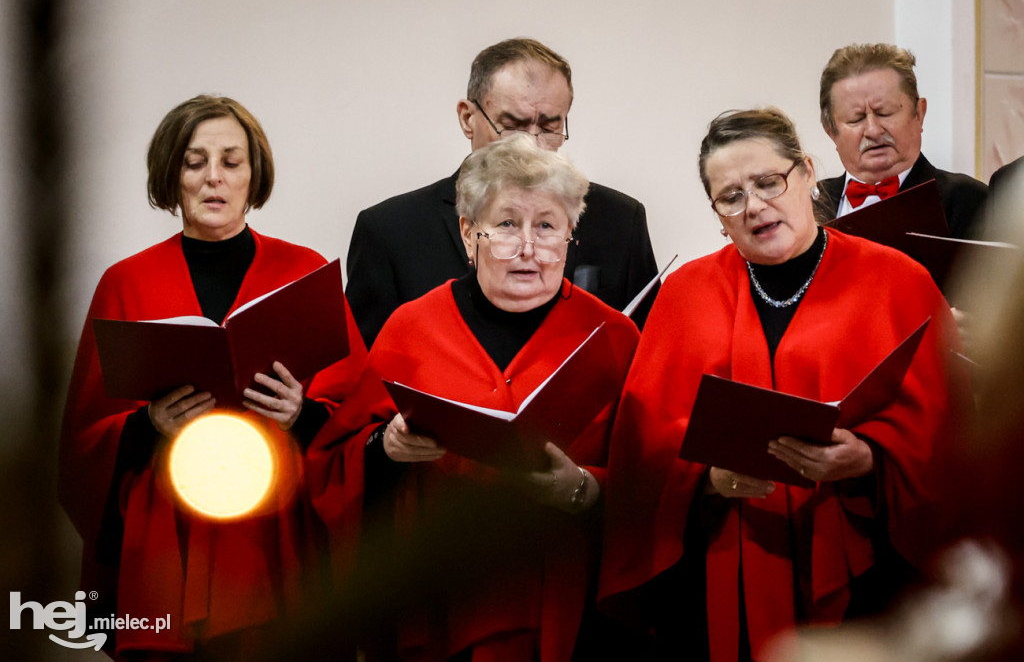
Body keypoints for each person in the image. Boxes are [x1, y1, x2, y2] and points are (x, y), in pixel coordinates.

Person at [598, 109, 966, 662]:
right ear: (718, 214)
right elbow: (641, 446)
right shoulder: (684, 294)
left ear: (808, 174)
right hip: (717, 566)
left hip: (863, 570)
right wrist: (706, 478)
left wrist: (870, 458)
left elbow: (952, 433)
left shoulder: (897, 281)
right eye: (731, 196)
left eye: (769, 182)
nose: (755, 206)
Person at [309, 134, 641, 661]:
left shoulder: (613, 338)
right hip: (440, 604)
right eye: (507, 224)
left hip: (571, 613)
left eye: (548, 226)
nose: (528, 248)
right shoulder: (411, 327)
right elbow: (333, 462)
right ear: (469, 233)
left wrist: (581, 489)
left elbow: (654, 488)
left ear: (570, 235)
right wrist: (386, 448)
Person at [59, 95, 367, 658]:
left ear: (255, 174)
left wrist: (303, 413)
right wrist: (148, 424)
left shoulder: (303, 272)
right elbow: (83, 442)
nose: (213, 179)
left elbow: (357, 418)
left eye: (231, 160)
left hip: (279, 534)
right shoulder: (126, 282)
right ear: (170, 174)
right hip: (167, 538)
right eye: (194, 161)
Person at [345, 37, 660, 347]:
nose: (531, 145)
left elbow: (650, 363)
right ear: (468, 118)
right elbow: (357, 385)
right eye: (513, 125)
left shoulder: (619, 220)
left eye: (549, 127)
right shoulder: (389, 231)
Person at [816, 43, 988, 239]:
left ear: (919, 114)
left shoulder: (970, 201)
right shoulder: (809, 206)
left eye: (885, 112)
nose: (873, 130)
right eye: (856, 119)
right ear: (831, 131)